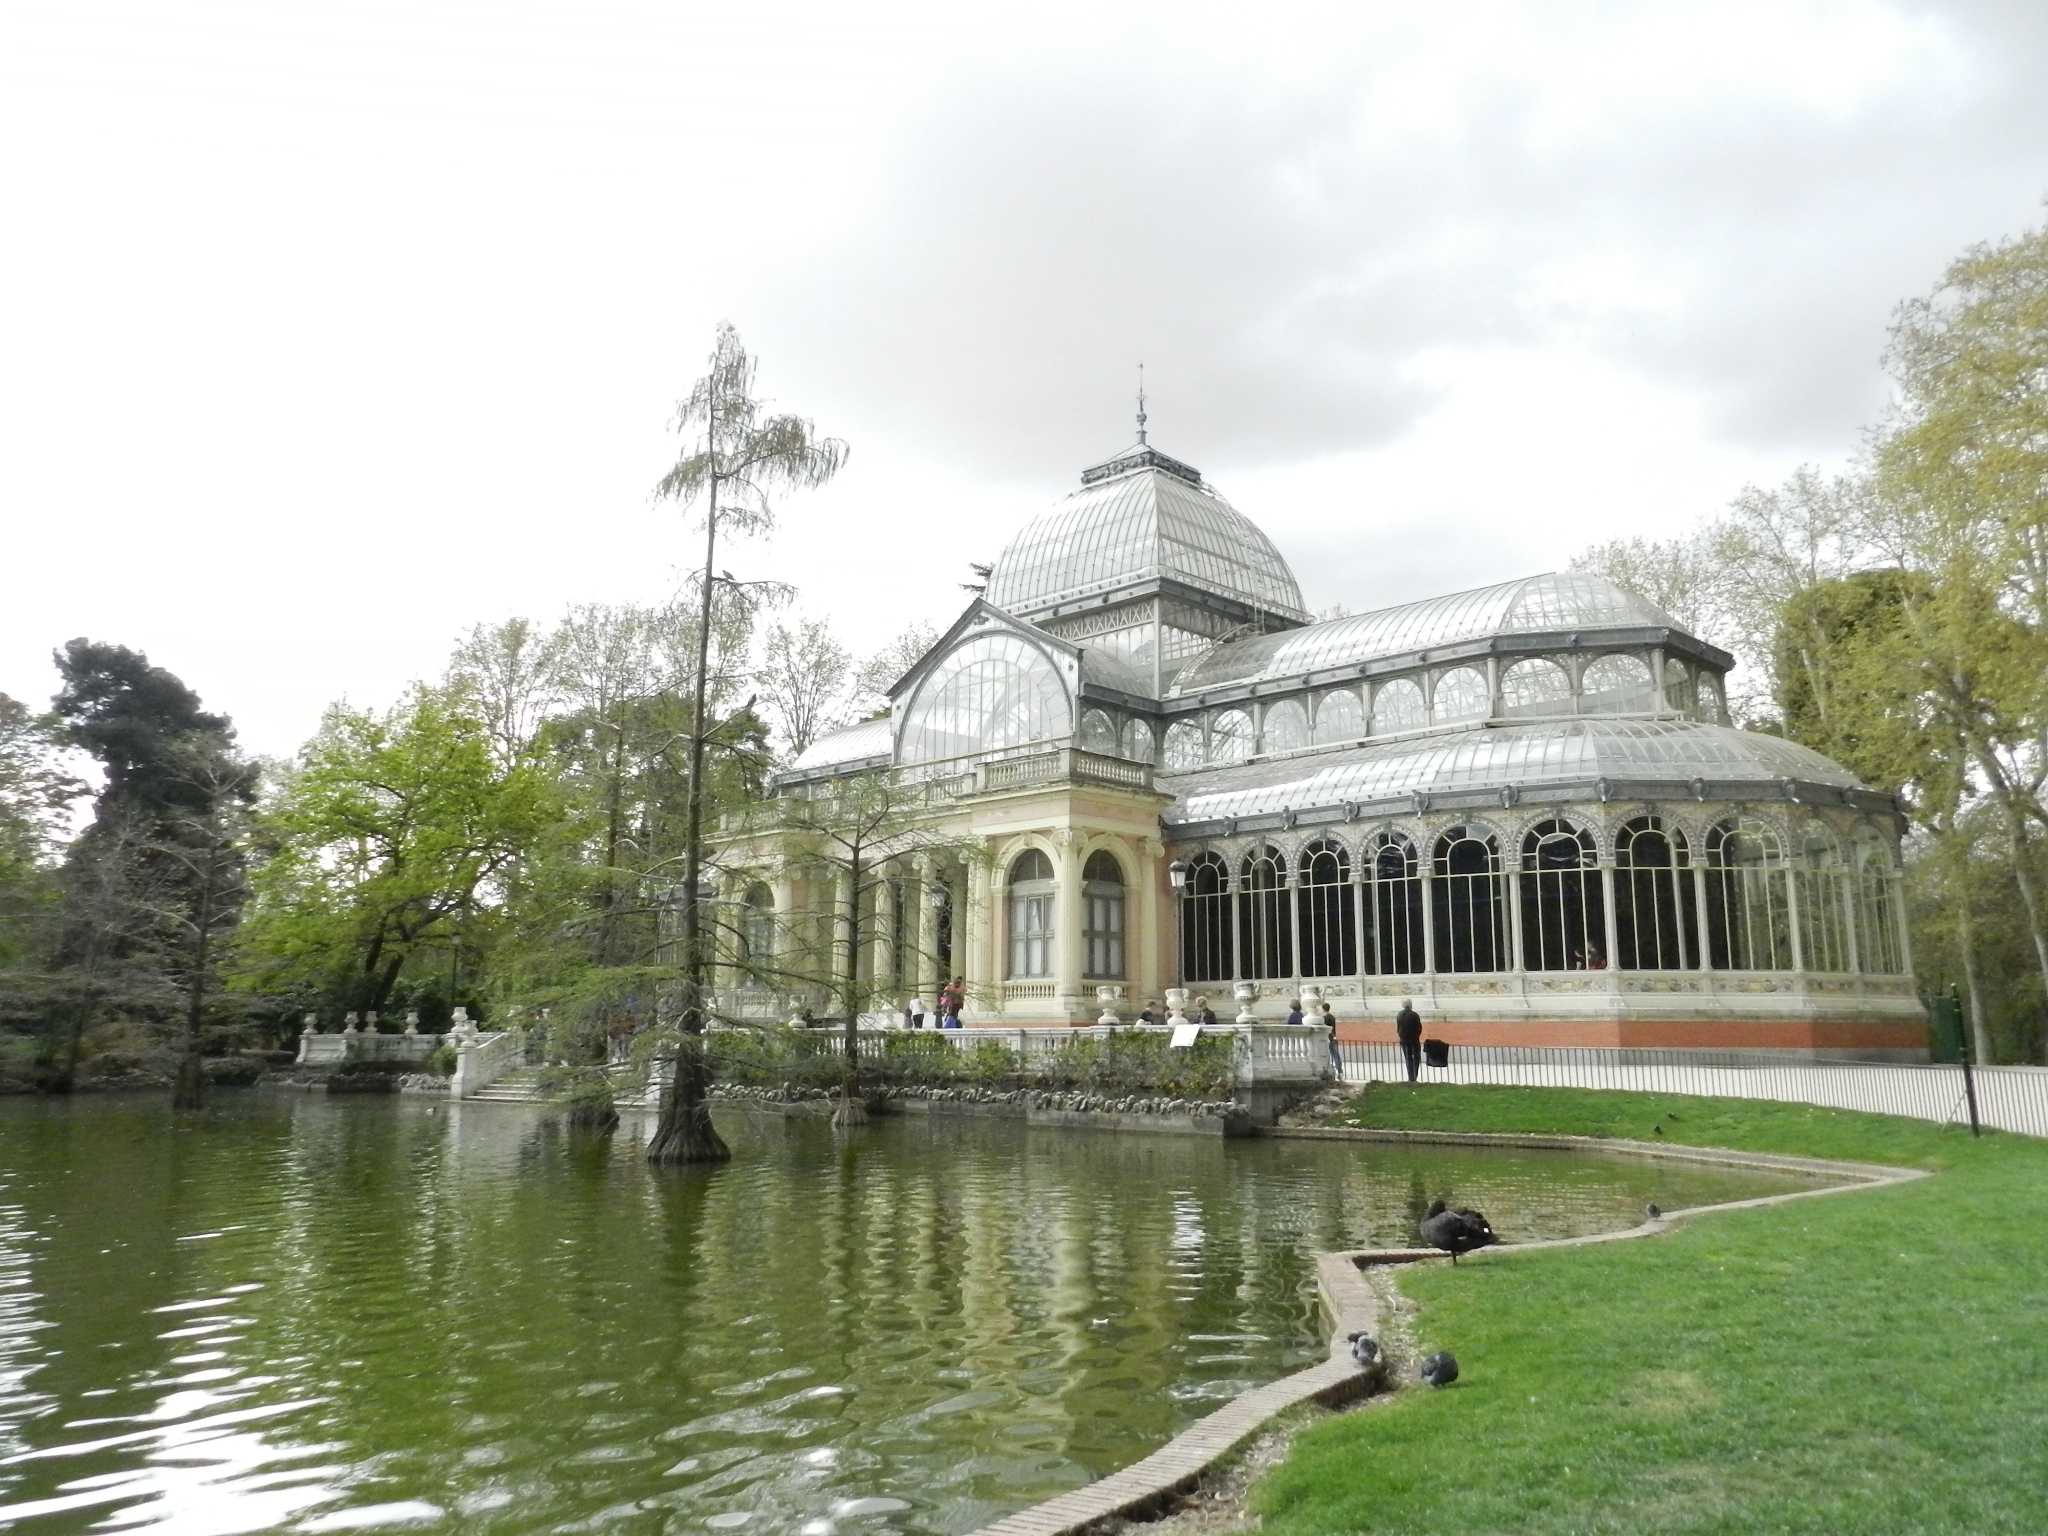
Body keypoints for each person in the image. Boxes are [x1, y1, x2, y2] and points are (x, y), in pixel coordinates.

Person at [1395, 997, 1423, 1083]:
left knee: (1408, 1058)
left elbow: (1398, 1028)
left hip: (1404, 1040)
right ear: (1410, 1005)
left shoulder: (1400, 1015)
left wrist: (1401, 1036)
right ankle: (1414, 1077)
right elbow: (1419, 1028)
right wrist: (1416, 1035)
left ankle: (1410, 1077)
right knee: (1416, 1058)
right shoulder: (1414, 1015)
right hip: (1414, 1040)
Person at [1321, 1001, 1343, 1076]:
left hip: (1327, 1037)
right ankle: (1339, 1067)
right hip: (1333, 1036)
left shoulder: (1324, 1018)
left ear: (1323, 1009)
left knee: (1328, 1053)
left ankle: (1328, 1067)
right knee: (1335, 1053)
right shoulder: (1332, 1017)